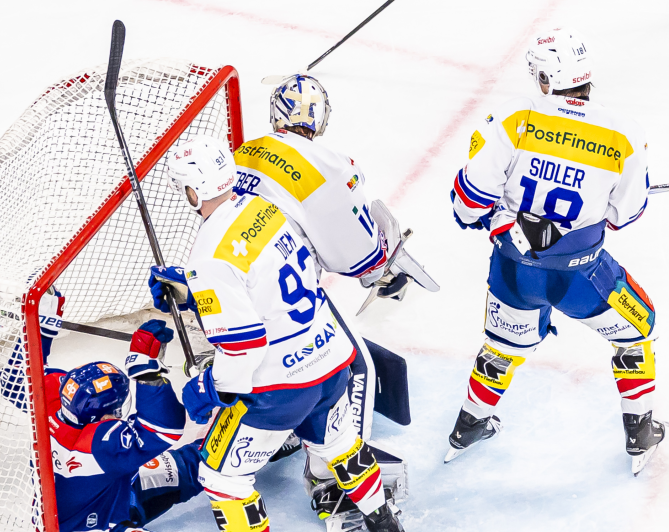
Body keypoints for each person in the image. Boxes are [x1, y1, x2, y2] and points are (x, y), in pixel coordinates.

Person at [152, 136, 404, 532]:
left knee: (221, 480)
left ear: (191, 191)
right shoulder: (267, 208)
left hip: (281, 387)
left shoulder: (207, 258)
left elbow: (243, 349)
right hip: (333, 362)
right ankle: (386, 524)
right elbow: (263, 283)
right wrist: (195, 295)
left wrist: (210, 387)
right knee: (340, 447)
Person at [444, 28, 666, 473]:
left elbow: (466, 206)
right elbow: (624, 215)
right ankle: (640, 431)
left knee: (503, 348)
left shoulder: (513, 122)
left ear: (544, 78)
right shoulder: (625, 136)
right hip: (581, 276)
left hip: (512, 272)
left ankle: (469, 424)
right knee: (637, 331)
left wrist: (505, 222)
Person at [232, 75, 430, 522]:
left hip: (223, 287)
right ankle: (328, 480)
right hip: (279, 294)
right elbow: (360, 262)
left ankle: (276, 425)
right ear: (320, 118)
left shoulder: (244, 151)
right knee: (354, 365)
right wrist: (383, 252)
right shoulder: (333, 167)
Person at [39, 314, 205, 531]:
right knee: (202, 463)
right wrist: (146, 371)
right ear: (103, 418)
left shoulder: (49, 401)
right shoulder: (98, 445)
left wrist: (42, 325)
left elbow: (14, 380)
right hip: (98, 524)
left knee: (203, 461)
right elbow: (163, 429)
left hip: (95, 498)